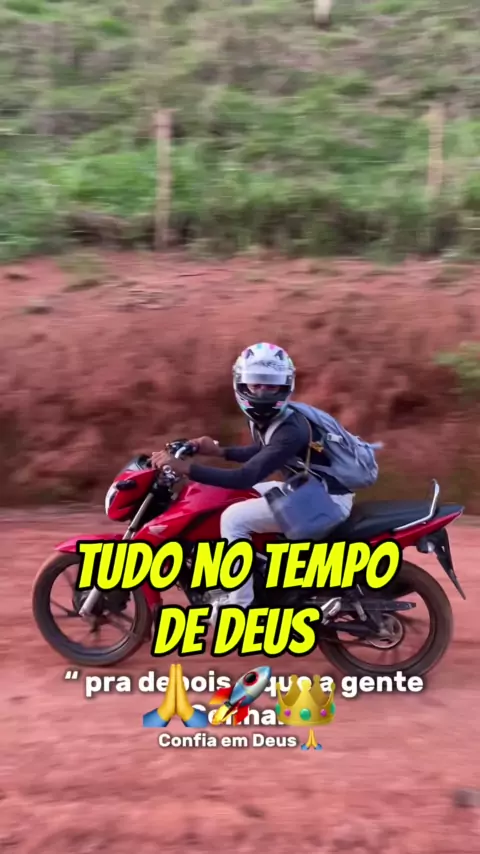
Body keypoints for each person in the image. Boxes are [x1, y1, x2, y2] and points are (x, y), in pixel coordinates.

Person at [151, 342, 355, 625]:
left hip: (325, 501)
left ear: (285, 385)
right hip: (307, 491)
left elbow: (246, 475)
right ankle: (262, 572)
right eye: (255, 384)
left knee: (234, 518)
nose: (261, 392)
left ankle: (240, 605)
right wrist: (217, 451)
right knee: (238, 497)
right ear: (241, 384)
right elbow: (261, 451)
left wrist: (187, 468)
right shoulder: (278, 418)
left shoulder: (290, 429)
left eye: (271, 385)